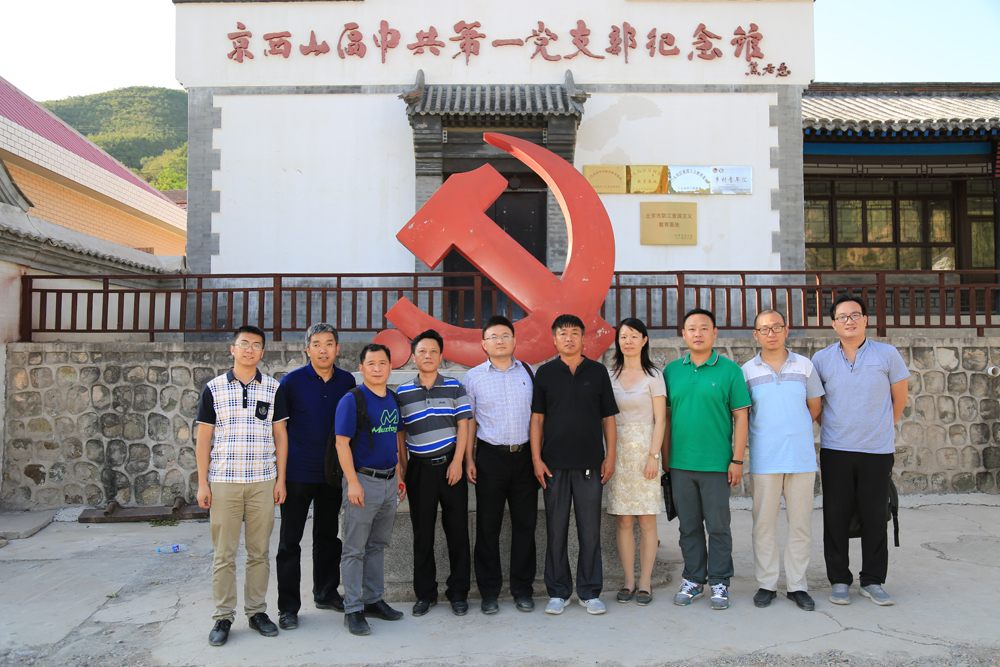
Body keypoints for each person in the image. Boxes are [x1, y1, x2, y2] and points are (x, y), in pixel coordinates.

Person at [812, 293, 909, 607]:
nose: (849, 321)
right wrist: (838, 428)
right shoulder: (821, 359)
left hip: (877, 451)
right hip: (836, 449)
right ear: (833, 324)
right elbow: (817, 405)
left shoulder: (887, 354)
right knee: (836, 516)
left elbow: (900, 399)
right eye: (842, 317)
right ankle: (839, 580)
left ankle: (872, 580)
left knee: (875, 515)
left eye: (855, 315)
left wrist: (880, 428)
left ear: (866, 320)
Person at [195, 325, 289, 647]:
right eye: (244, 344)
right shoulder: (213, 388)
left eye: (256, 345)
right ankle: (223, 616)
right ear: (232, 349)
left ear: (262, 352)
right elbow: (203, 439)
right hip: (224, 483)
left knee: (259, 552)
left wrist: (280, 479)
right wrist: (203, 484)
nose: (250, 350)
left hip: (263, 481)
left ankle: (257, 612)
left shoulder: (274, 388)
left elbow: (280, 436)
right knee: (224, 554)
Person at [530, 314, 619, 616]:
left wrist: (610, 456)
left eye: (575, 333)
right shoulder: (545, 373)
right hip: (553, 465)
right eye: (563, 333)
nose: (569, 338)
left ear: (583, 338)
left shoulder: (597, 372)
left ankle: (590, 591)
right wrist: (536, 459)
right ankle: (558, 591)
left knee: (589, 531)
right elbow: (537, 419)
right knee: (556, 530)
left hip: (590, 464)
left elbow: (608, 418)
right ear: (554, 339)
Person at [663, 308, 750, 611]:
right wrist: (665, 460)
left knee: (718, 526)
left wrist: (737, 460)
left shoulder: (730, 370)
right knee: (688, 526)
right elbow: (666, 419)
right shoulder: (672, 371)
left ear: (715, 333)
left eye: (704, 328)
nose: (697, 333)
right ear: (683, 334)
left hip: (716, 464)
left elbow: (741, 417)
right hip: (680, 464)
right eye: (691, 328)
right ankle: (693, 578)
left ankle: (720, 581)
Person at [275, 323, 357, 630]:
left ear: (338, 348)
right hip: (297, 472)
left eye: (329, 343)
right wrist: (280, 477)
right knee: (289, 542)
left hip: (332, 473)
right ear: (307, 349)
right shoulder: (291, 382)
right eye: (317, 344)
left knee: (328, 536)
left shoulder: (347, 381)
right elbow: (280, 431)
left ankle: (325, 592)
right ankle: (288, 607)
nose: (323, 349)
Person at [741, 310, 823, 612]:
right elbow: (743, 414)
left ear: (786, 330)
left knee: (800, 525)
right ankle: (767, 584)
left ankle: (797, 585)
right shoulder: (747, 371)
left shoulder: (805, 365)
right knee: (763, 525)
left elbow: (814, 406)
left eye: (776, 327)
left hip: (801, 459)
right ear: (756, 334)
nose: (771, 333)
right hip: (765, 459)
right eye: (764, 329)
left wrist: (793, 429)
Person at [463, 315, 538, 615]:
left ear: (514, 340)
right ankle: (489, 592)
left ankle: (523, 590)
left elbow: (539, 418)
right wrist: (469, 458)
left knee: (526, 526)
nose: (500, 341)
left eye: (505, 335)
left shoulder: (530, 372)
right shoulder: (473, 377)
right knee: (488, 526)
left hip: (525, 457)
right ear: (484, 344)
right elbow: (469, 422)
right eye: (493, 336)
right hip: (490, 458)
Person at [397, 330, 473, 617]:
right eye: (422, 351)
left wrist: (458, 462)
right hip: (419, 469)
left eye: (433, 351)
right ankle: (425, 594)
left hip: (451, 467)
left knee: (458, 532)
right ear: (413, 356)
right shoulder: (403, 393)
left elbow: (464, 426)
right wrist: (404, 470)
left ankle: (459, 593)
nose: (427, 356)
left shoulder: (455, 387)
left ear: (441, 356)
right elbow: (400, 434)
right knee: (422, 534)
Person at [334, 343, 406, 636]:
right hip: (363, 482)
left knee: (377, 545)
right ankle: (353, 608)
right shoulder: (352, 400)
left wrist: (399, 477)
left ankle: (374, 599)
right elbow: (341, 443)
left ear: (391, 367)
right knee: (354, 549)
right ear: (361, 368)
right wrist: (352, 482)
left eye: (383, 363)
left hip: (389, 482)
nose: (377, 369)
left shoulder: (392, 398)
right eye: (371, 364)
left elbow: (394, 442)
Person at [605, 318, 667, 607]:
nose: (628, 341)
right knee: (624, 519)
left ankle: (645, 582)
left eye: (633, 336)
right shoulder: (609, 375)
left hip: (645, 451)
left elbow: (660, 419)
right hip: (617, 451)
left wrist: (654, 456)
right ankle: (629, 581)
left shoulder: (654, 376)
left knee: (647, 518)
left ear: (644, 340)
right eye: (623, 336)